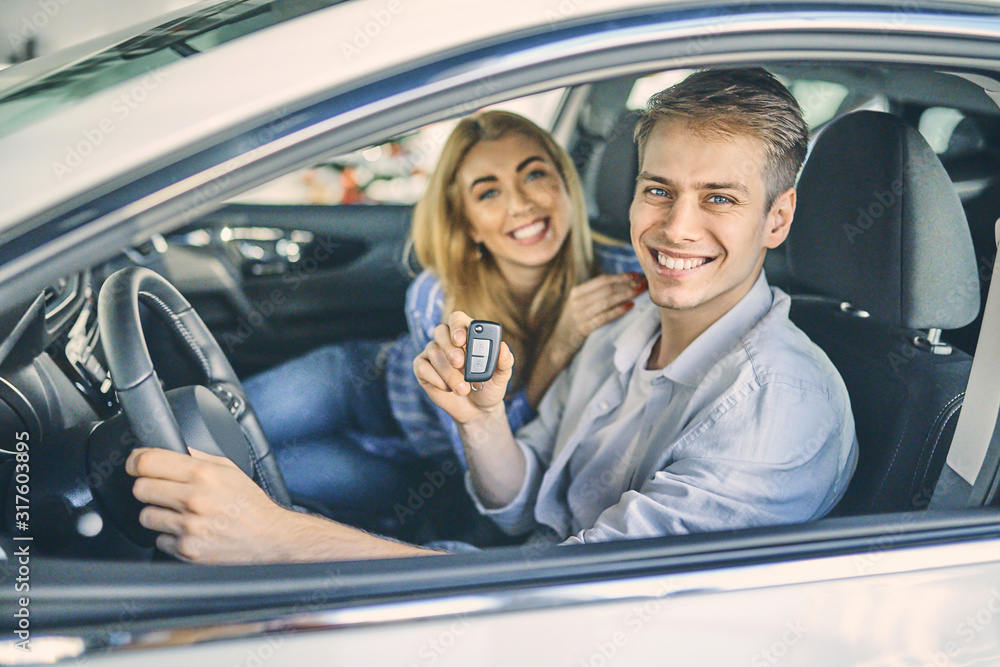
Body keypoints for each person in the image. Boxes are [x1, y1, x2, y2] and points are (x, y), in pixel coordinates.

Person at [125, 67, 858, 563]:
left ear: (777, 217)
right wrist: (482, 421)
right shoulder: (631, 320)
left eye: (720, 198)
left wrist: (279, 538)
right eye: (658, 190)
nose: (676, 228)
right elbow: (526, 497)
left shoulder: (772, 410)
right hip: (488, 559)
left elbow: (570, 595)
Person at [237, 110, 644, 520]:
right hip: (362, 384)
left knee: (247, 477)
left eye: (535, 175)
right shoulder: (439, 297)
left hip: (423, 470)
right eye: (488, 193)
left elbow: (501, 457)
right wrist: (558, 348)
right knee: (206, 433)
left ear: (565, 183)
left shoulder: (632, 274)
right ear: (467, 222)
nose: (521, 203)